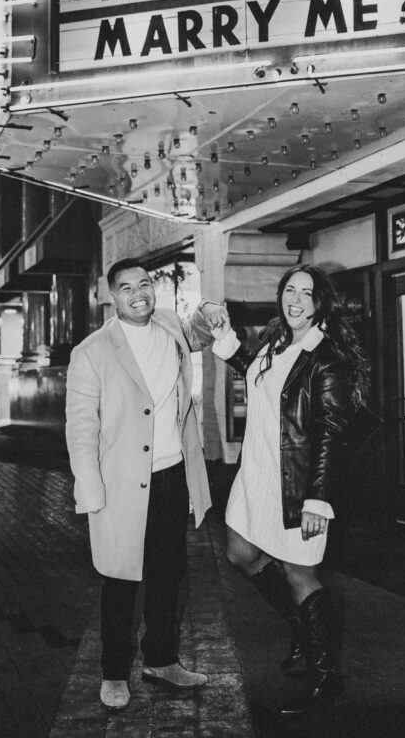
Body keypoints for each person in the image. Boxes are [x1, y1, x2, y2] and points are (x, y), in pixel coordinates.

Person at [209, 263, 368, 717]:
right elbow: (259, 377)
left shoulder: (326, 357)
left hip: (297, 483)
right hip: (257, 474)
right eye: (290, 291)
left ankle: (325, 680)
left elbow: (331, 433)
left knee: (300, 574)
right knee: (241, 552)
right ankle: (301, 625)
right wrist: (227, 340)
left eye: (306, 293)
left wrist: (319, 498)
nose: (295, 299)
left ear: (320, 303)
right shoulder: (279, 342)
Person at [65, 258, 215, 710]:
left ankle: (162, 659)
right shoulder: (92, 351)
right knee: (120, 579)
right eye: (127, 287)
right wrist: (90, 490)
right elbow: (80, 427)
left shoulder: (169, 325)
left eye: (145, 284)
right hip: (121, 484)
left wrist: (209, 310)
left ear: (155, 289)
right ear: (113, 296)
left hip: (172, 475)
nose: (138, 294)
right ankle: (113, 672)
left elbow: (201, 332)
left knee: (168, 574)